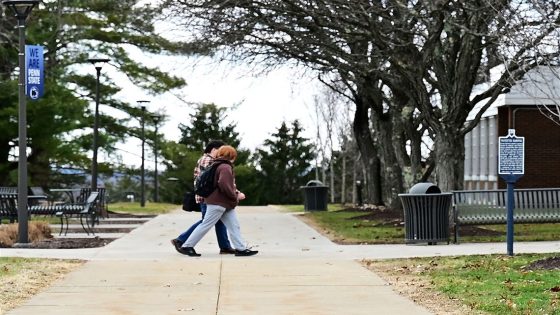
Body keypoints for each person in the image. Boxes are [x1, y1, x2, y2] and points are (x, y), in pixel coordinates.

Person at [178, 145, 258, 257]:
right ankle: (187, 246)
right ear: (231, 156)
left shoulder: (216, 165)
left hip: (223, 203)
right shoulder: (225, 167)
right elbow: (224, 184)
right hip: (218, 203)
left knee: (234, 225)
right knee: (205, 225)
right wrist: (235, 196)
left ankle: (241, 248)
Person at [171, 140, 236, 254]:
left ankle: (225, 246)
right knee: (206, 221)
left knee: (218, 222)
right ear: (214, 150)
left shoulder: (210, 160)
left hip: (209, 197)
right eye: (221, 150)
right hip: (207, 197)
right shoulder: (208, 160)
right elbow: (211, 180)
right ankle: (181, 240)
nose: (222, 154)